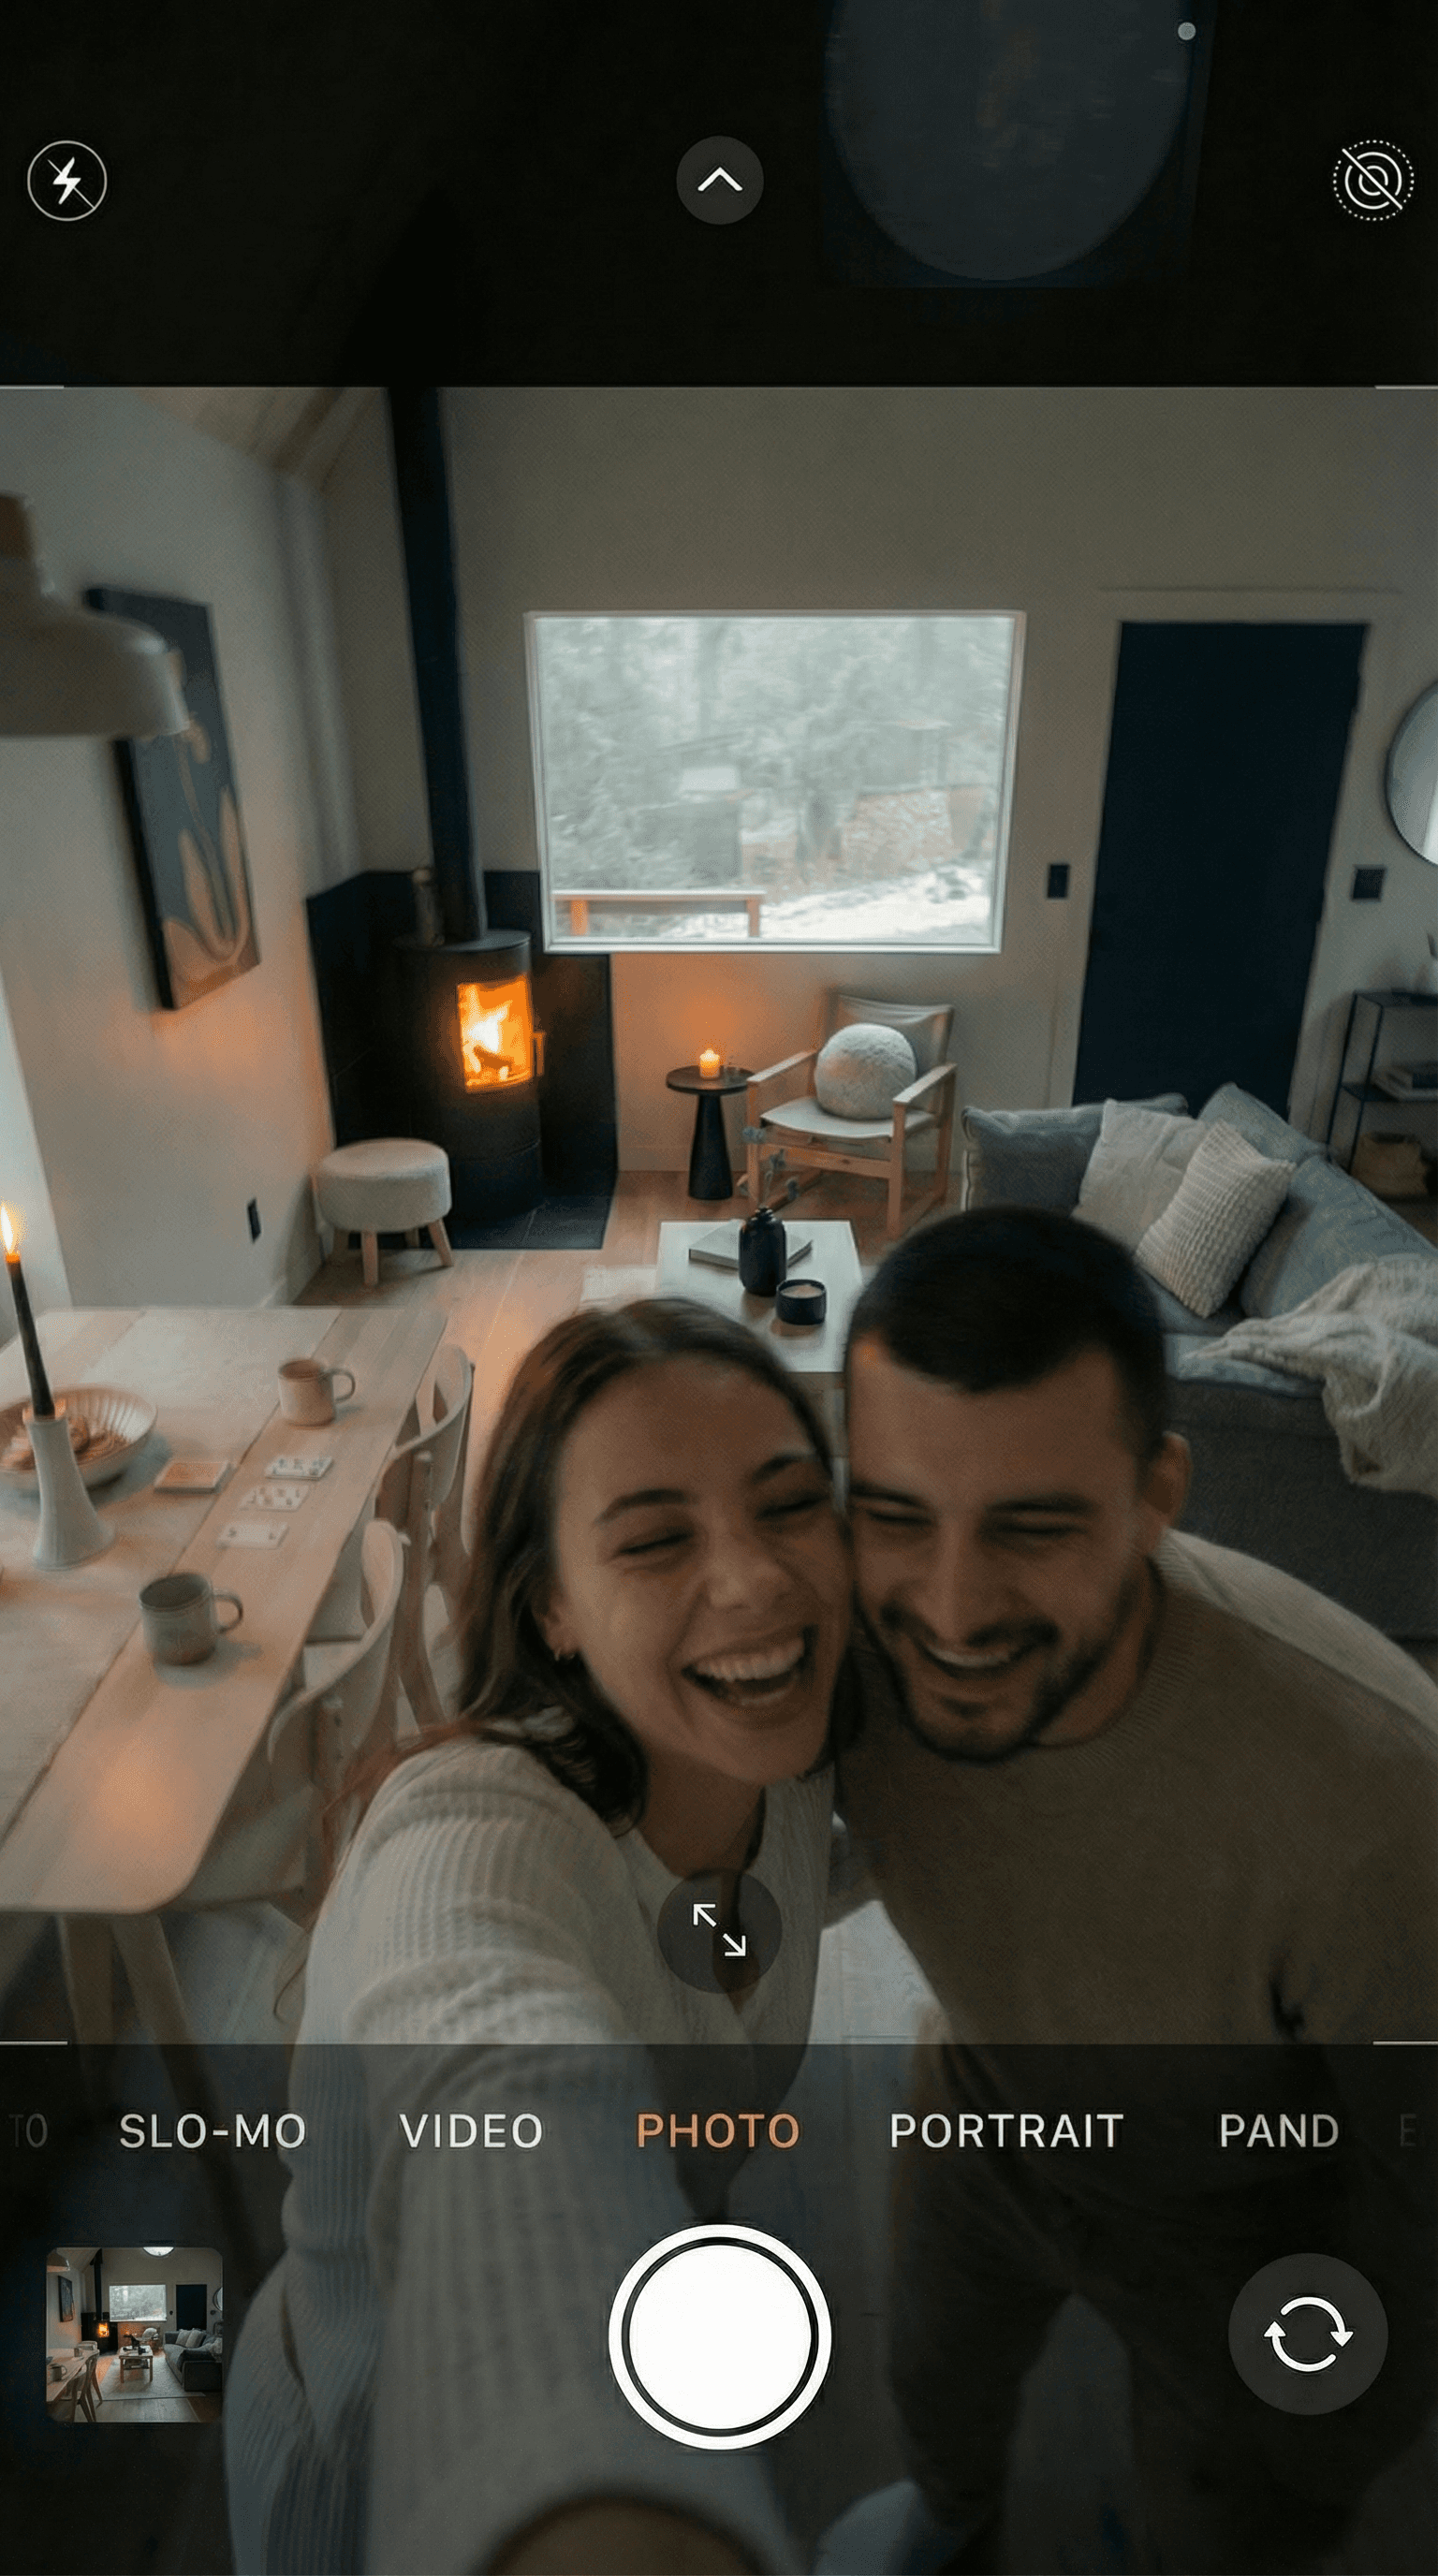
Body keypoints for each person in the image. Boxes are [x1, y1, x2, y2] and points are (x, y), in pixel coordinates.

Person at [830, 1206, 1438, 2574]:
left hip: (1249, 2221)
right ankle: (952, 2516)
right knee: (933, 2382)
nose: (950, 1611)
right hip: (985, 2110)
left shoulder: (1375, 1798)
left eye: (1033, 1526)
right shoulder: (844, 1652)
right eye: (898, 1516)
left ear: (1159, 1495)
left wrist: (1332, 2435)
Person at [226, 1298, 854, 2576]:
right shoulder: (470, 1828)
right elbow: (494, 2066)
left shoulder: (787, 1754)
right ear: (552, 1608)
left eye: (791, 1504)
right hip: (366, 2463)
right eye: (655, 1539)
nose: (755, 1578)